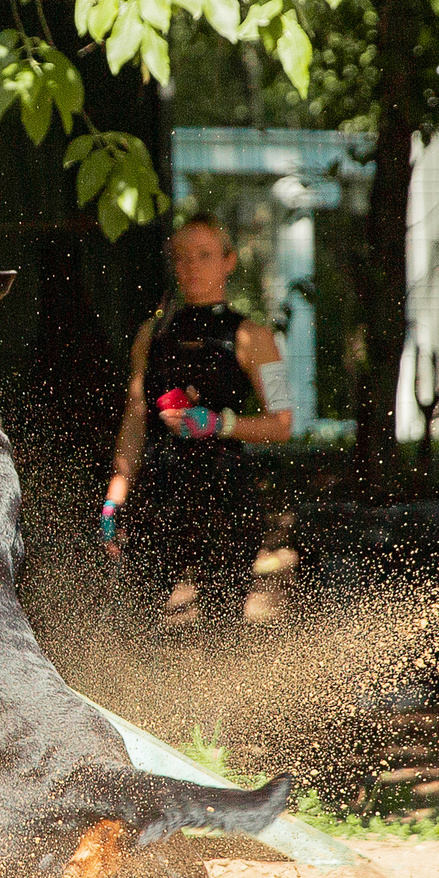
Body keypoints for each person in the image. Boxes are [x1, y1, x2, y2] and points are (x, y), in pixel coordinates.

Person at [101, 216, 295, 641]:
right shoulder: (151, 334)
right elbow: (136, 417)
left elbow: (283, 424)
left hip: (225, 495)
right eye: (182, 258)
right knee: (131, 625)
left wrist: (221, 424)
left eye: (204, 256)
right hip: (160, 491)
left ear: (229, 261)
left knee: (221, 630)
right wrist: (114, 500)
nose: (191, 267)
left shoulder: (255, 336)